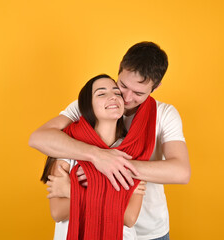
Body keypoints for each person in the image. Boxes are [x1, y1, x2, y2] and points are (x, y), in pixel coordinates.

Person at [30, 42, 191, 240]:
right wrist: (98, 157)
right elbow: (39, 137)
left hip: (148, 229)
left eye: (139, 93)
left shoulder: (165, 114)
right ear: (119, 71)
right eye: (122, 85)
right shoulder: (90, 104)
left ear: (155, 87)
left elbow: (181, 172)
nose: (126, 97)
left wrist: (109, 169)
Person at [40, 74, 149, 240]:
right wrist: (112, 197)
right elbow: (57, 212)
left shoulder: (133, 151)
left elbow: (129, 217)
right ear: (87, 105)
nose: (113, 97)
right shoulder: (67, 146)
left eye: (117, 93)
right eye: (101, 93)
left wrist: (73, 191)